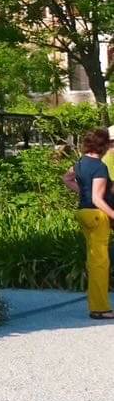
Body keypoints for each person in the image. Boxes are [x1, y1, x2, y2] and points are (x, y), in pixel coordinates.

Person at [74, 129, 114, 319]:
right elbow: (98, 199)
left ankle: (96, 305)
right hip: (97, 216)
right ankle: (100, 309)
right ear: (103, 145)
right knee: (100, 263)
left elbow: (66, 178)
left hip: (83, 213)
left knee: (93, 261)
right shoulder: (99, 167)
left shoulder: (80, 162)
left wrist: (83, 192)